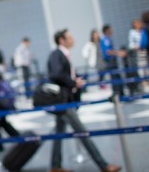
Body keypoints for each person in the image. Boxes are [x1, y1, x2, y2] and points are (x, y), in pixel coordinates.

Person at [48, 29, 121, 172]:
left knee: (58, 133)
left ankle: (55, 166)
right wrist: (73, 83)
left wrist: (76, 79)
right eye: (69, 37)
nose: (72, 39)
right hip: (63, 102)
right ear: (61, 40)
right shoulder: (57, 54)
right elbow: (56, 74)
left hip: (65, 100)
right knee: (82, 133)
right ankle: (103, 165)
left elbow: (64, 73)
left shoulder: (64, 54)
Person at [100, 24, 126, 96]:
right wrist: (118, 53)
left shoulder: (108, 39)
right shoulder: (105, 40)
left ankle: (120, 94)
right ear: (107, 31)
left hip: (112, 62)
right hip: (110, 62)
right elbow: (108, 51)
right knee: (115, 79)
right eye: (110, 29)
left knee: (117, 78)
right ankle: (118, 95)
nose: (112, 31)